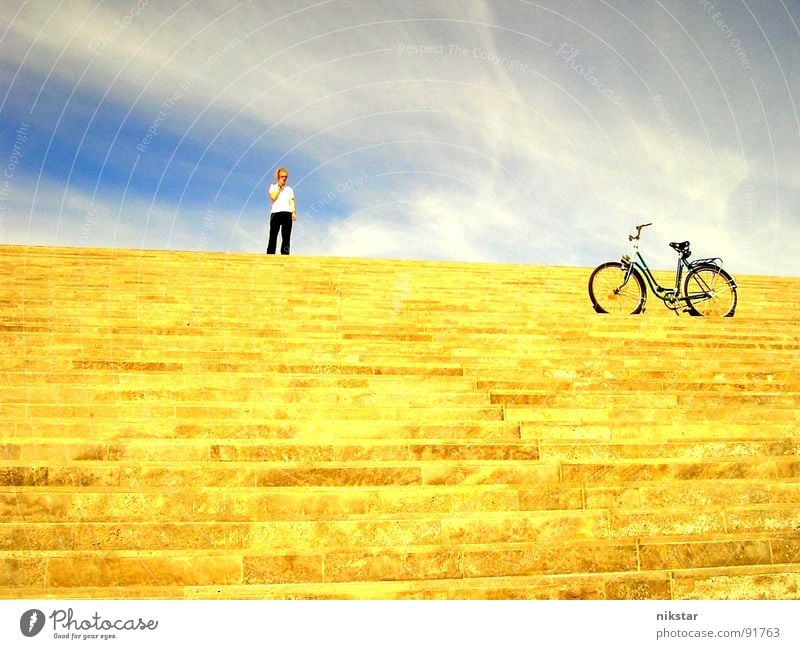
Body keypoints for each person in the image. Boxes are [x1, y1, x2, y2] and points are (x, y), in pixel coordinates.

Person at [267, 167, 297, 254]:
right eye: (282, 176)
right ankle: (270, 254)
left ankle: (285, 255)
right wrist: (279, 187)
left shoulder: (289, 189)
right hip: (275, 213)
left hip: (287, 213)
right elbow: (273, 198)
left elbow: (291, 201)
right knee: (273, 235)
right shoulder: (273, 187)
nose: (284, 178)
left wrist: (293, 212)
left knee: (286, 237)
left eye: (285, 177)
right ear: (278, 177)